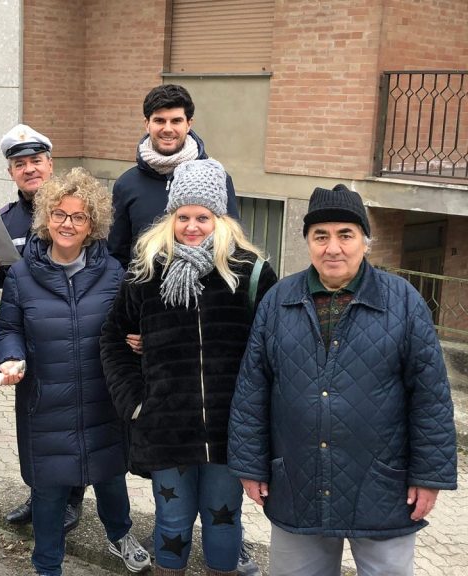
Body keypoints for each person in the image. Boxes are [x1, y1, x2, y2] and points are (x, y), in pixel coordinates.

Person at [228, 184, 458, 576]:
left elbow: (430, 397)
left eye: (345, 235)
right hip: (298, 482)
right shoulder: (278, 301)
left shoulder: (402, 301)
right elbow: (253, 388)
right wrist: (251, 465)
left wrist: (430, 475)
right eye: (321, 236)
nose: (332, 247)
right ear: (308, 242)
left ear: (365, 242)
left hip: (384, 487)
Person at [108, 83, 260, 576]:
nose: (193, 226)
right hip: (166, 427)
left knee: (223, 522)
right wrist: (134, 402)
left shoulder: (247, 274)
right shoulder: (146, 273)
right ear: (170, 217)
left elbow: (268, 349)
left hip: (226, 427)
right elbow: (113, 338)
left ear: (221, 218)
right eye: (183, 216)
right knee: (172, 522)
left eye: (204, 217)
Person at [0, 168, 151, 576]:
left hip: (102, 399)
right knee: (48, 492)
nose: (67, 224)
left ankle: (120, 535)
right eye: (60, 214)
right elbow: (8, 328)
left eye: (78, 217)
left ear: (92, 225)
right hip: (46, 401)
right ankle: (47, 564)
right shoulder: (21, 276)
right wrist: (10, 356)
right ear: (46, 218)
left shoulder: (115, 275)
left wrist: (139, 341)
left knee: (111, 477)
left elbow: (127, 326)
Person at [0, 123, 85, 533]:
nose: (29, 169)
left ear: (50, 164)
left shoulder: (74, 210)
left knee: (74, 422)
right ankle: (42, 495)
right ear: (10, 172)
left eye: (36, 161)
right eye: (19, 164)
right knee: (36, 422)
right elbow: (2, 283)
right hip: (27, 336)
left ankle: (72, 498)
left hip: (71, 334)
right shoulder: (4, 220)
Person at [107, 84, 239, 269]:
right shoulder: (126, 185)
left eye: (176, 121)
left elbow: (233, 245)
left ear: (189, 124)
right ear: (147, 124)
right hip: (143, 293)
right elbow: (116, 256)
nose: (167, 129)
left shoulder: (218, 180)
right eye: (159, 120)